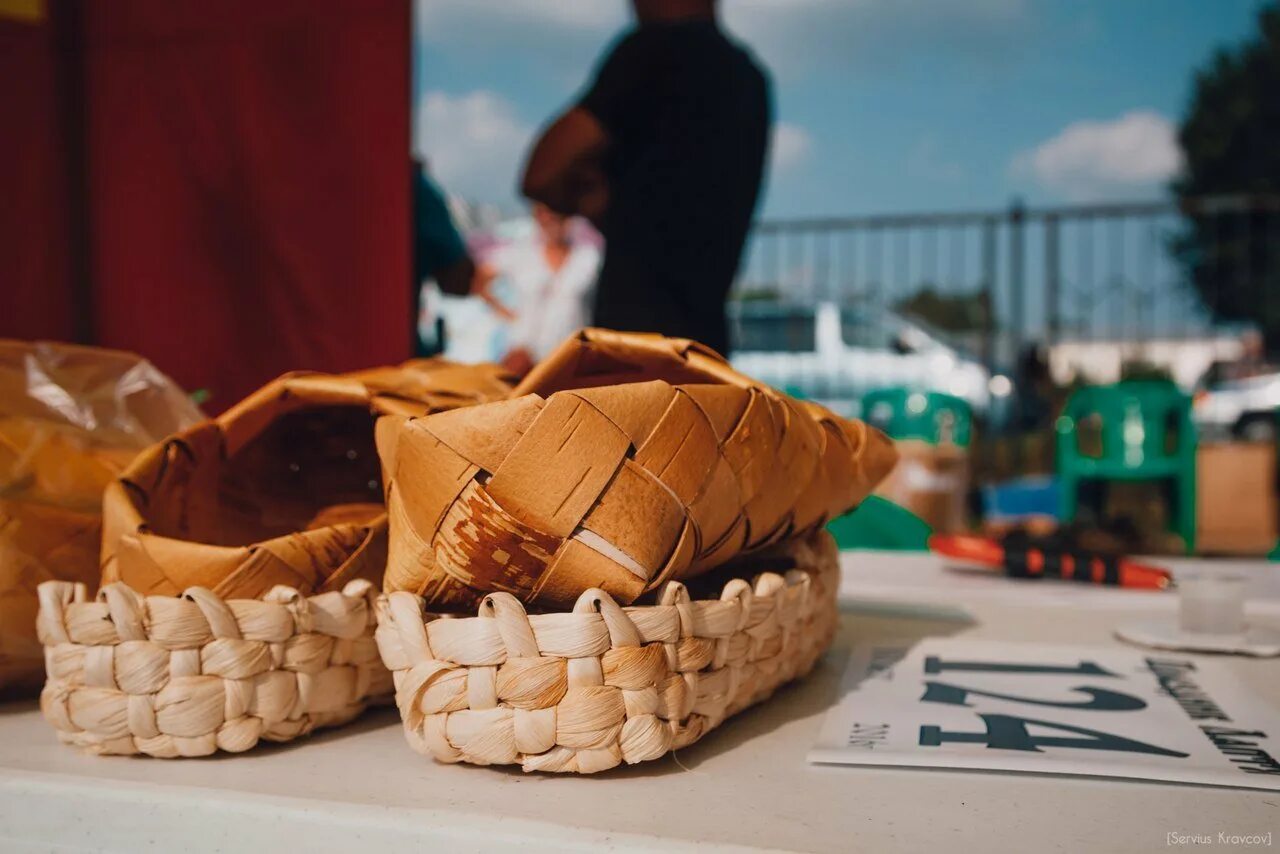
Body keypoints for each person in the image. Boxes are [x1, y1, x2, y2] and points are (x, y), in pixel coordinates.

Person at [520, 0, 771, 355]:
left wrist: (592, 197)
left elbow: (541, 172)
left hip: (634, 339)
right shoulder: (750, 78)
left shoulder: (655, 50)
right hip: (706, 341)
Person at [474, 204, 600, 376]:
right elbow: (480, 280)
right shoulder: (521, 254)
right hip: (524, 357)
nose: (551, 219)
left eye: (558, 214)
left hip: (573, 358)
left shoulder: (589, 258)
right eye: (544, 213)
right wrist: (507, 314)